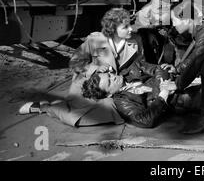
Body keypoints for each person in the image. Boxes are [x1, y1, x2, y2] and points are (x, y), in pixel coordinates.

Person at [18, 8, 170, 126]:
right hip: (88, 83)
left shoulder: (134, 42)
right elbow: (74, 63)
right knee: (75, 114)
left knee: (106, 115)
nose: (130, 29)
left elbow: (141, 67)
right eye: (125, 27)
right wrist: (94, 69)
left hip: (115, 89)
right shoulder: (96, 40)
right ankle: (44, 108)